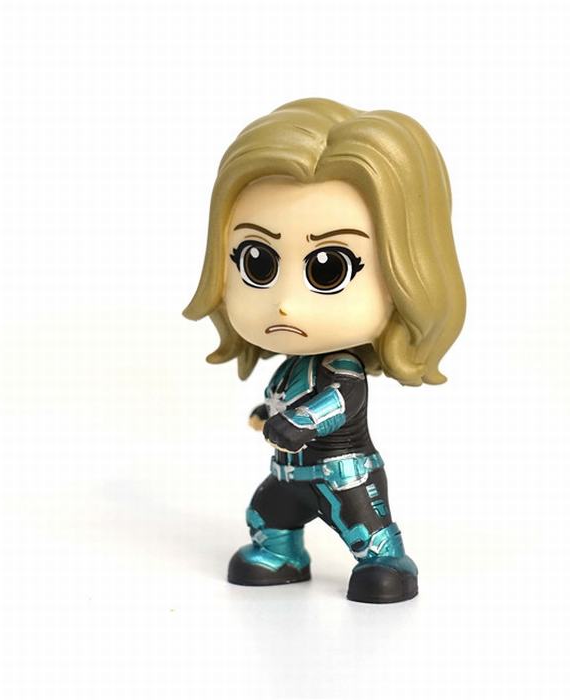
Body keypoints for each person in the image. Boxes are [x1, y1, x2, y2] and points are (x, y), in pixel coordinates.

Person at [184, 98, 466, 603]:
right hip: (290, 475)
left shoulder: (343, 369)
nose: (285, 302)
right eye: (258, 262)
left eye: (327, 269)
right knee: (265, 515)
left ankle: (386, 561)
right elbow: (283, 400)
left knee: (368, 531)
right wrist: (267, 414)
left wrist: (297, 424)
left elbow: (334, 405)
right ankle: (281, 554)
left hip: (344, 476)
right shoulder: (293, 367)